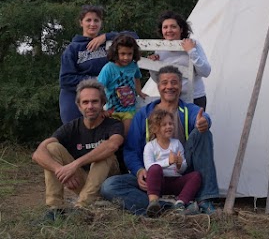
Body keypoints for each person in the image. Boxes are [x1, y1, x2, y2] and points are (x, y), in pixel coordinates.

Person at [101, 65, 218, 215]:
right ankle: (168, 207)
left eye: (174, 82)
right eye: (165, 83)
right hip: (153, 176)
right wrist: (138, 171)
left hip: (180, 173)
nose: (169, 86)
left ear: (181, 85)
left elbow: (202, 117)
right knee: (109, 186)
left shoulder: (188, 110)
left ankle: (204, 200)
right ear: (158, 86)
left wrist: (204, 122)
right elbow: (131, 150)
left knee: (204, 133)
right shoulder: (144, 114)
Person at [32, 79, 124, 220]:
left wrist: (75, 165)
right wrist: (60, 170)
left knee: (105, 152)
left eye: (94, 101)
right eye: (85, 102)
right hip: (82, 182)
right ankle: (55, 208)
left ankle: (82, 207)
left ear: (103, 103)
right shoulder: (72, 127)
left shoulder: (114, 124)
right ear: (79, 106)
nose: (90, 106)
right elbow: (38, 154)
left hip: (108, 184)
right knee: (51, 148)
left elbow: (113, 145)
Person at [59, 5, 137, 124]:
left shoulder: (110, 44)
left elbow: (133, 36)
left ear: (101, 23)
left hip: (105, 100)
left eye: (96, 20)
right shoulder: (72, 49)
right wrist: (98, 80)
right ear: (81, 23)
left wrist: (106, 37)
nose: (92, 24)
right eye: (88, 20)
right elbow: (65, 79)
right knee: (75, 135)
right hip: (75, 97)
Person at [143, 109, 201, 217]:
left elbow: (183, 168)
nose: (169, 127)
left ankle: (180, 203)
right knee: (155, 169)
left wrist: (179, 165)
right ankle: (154, 202)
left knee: (196, 176)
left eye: (170, 124)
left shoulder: (176, 143)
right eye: (164, 125)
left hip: (175, 180)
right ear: (155, 129)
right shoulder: (150, 146)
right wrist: (167, 162)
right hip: (160, 182)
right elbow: (149, 167)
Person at [149, 10, 210, 109]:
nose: (169, 30)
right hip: (170, 99)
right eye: (165, 27)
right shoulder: (159, 48)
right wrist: (152, 66)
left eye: (173, 26)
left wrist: (191, 52)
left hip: (195, 98)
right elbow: (158, 79)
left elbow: (206, 72)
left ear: (181, 29)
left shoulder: (193, 44)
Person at [98, 33, 147, 135]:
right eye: (123, 54)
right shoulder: (108, 68)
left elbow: (137, 77)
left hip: (129, 109)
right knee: (113, 136)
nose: (126, 57)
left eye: (129, 54)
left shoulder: (133, 65)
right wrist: (101, 109)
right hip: (112, 110)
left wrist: (139, 91)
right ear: (116, 53)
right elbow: (99, 89)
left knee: (127, 134)